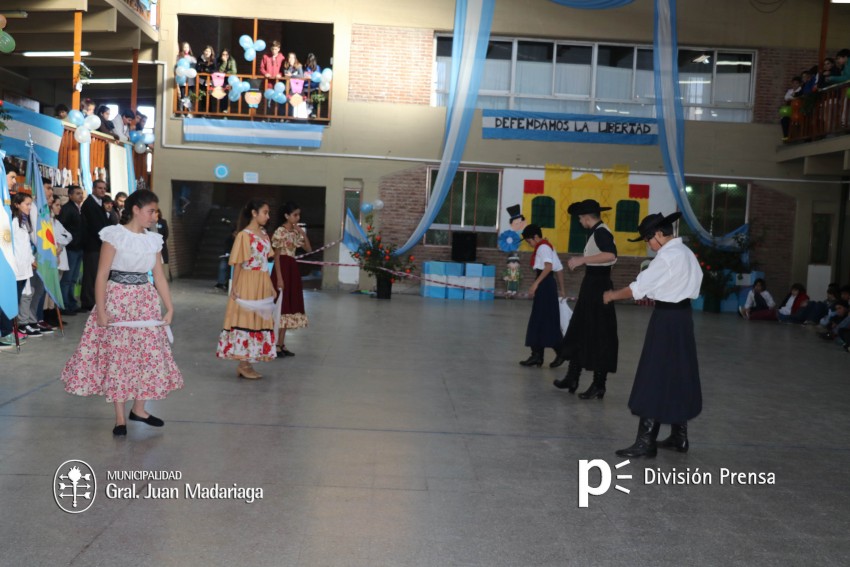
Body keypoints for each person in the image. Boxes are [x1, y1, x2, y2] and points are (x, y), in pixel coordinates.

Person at [62, 190, 182, 436]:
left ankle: (139, 409)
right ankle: (120, 418)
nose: (154, 216)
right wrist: (102, 311)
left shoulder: (154, 240)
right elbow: (102, 275)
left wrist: (169, 307)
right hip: (118, 299)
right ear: (136, 210)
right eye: (151, 211)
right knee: (119, 356)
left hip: (144, 301)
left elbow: (158, 276)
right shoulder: (114, 235)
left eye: (155, 211)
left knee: (146, 355)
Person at [603, 212, 703, 458]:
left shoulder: (667, 257)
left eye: (649, 239)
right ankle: (679, 436)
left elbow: (639, 288)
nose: (649, 244)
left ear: (659, 235)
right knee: (677, 373)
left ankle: (646, 441)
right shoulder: (687, 254)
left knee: (655, 373)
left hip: (667, 320)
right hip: (683, 319)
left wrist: (612, 295)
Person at [552, 199, 618, 398]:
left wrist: (582, 259)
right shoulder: (596, 232)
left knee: (599, 334)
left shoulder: (601, 232)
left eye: (580, 218)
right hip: (592, 286)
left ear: (587, 217)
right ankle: (573, 376)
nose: (580, 222)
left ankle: (599, 384)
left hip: (599, 287)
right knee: (580, 330)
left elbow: (611, 255)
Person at [216, 199, 277, 378]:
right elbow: (239, 264)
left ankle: (248, 362)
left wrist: (271, 286)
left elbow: (266, 261)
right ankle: (243, 363)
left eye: (268, 213)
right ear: (254, 213)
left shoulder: (264, 234)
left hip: (262, 282)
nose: (268, 216)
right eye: (265, 212)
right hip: (247, 282)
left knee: (257, 321)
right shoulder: (244, 235)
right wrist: (234, 287)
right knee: (246, 320)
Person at [517, 224, 563, 367]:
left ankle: (559, 352)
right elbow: (559, 268)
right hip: (548, 284)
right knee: (544, 319)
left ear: (536, 237)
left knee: (542, 319)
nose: (530, 244)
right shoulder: (547, 245)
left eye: (529, 241)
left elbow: (549, 267)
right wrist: (562, 289)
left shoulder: (543, 247)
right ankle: (538, 355)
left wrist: (535, 284)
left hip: (545, 285)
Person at [272, 202, 311, 357]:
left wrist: (302, 232)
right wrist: (279, 278)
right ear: (286, 216)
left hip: (292, 269)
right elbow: (276, 257)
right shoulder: (280, 231)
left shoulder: (295, 232)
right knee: (280, 306)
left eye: (298, 214)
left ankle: (281, 344)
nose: (297, 217)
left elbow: (308, 249)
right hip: (282, 268)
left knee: (288, 306)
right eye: (295, 214)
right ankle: (275, 344)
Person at [80, 179, 111, 312]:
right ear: (93, 189)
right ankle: (88, 302)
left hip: (99, 245)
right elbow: (95, 226)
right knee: (91, 275)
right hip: (93, 245)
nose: (102, 190)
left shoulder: (99, 203)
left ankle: (94, 300)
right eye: (100, 188)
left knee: (97, 274)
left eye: (104, 188)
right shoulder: (89, 204)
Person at [58, 185, 85, 315]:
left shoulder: (79, 209)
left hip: (79, 247)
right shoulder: (68, 209)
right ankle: (64, 305)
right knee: (67, 279)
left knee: (74, 278)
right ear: (70, 195)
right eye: (78, 193)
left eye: (82, 193)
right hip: (71, 248)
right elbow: (62, 228)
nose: (81, 195)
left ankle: (72, 302)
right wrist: (70, 242)